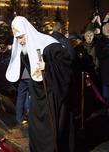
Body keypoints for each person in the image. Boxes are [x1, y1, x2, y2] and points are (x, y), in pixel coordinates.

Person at [6, 16, 74, 152]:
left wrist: (47, 66)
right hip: (37, 96)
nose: (20, 41)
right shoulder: (24, 51)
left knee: (50, 129)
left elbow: (67, 65)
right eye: (17, 38)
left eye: (21, 37)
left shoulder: (49, 44)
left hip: (51, 94)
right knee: (36, 128)